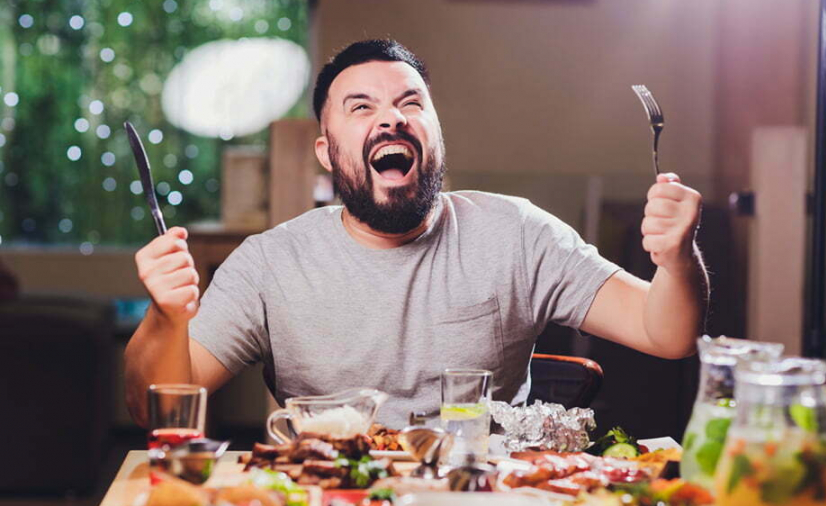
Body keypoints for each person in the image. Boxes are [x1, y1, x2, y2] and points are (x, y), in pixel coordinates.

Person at [125, 39, 708, 428]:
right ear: (327, 153)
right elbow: (159, 412)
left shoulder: (517, 233)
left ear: (434, 131)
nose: (391, 117)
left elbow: (667, 334)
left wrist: (678, 260)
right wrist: (163, 319)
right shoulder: (269, 263)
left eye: (411, 102)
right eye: (361, 107)